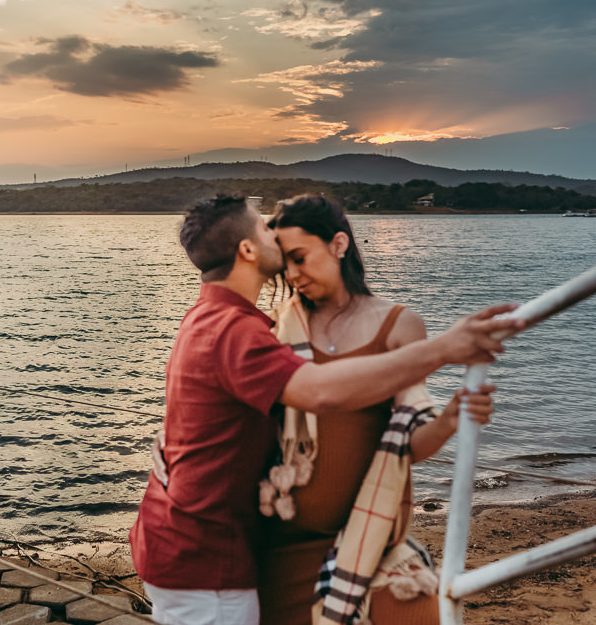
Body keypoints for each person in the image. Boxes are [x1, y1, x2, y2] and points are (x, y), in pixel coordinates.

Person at [129, 195, 522, 625]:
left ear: (339, 245)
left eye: (298, 254)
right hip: (228, 555)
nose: (287, 265)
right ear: (246, 250)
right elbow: (317, 392)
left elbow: (403, 433)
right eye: (267, 233)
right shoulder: (258, 330)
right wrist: (443, 349)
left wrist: (450, 416)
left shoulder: (222, 321)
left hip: (303, 541)